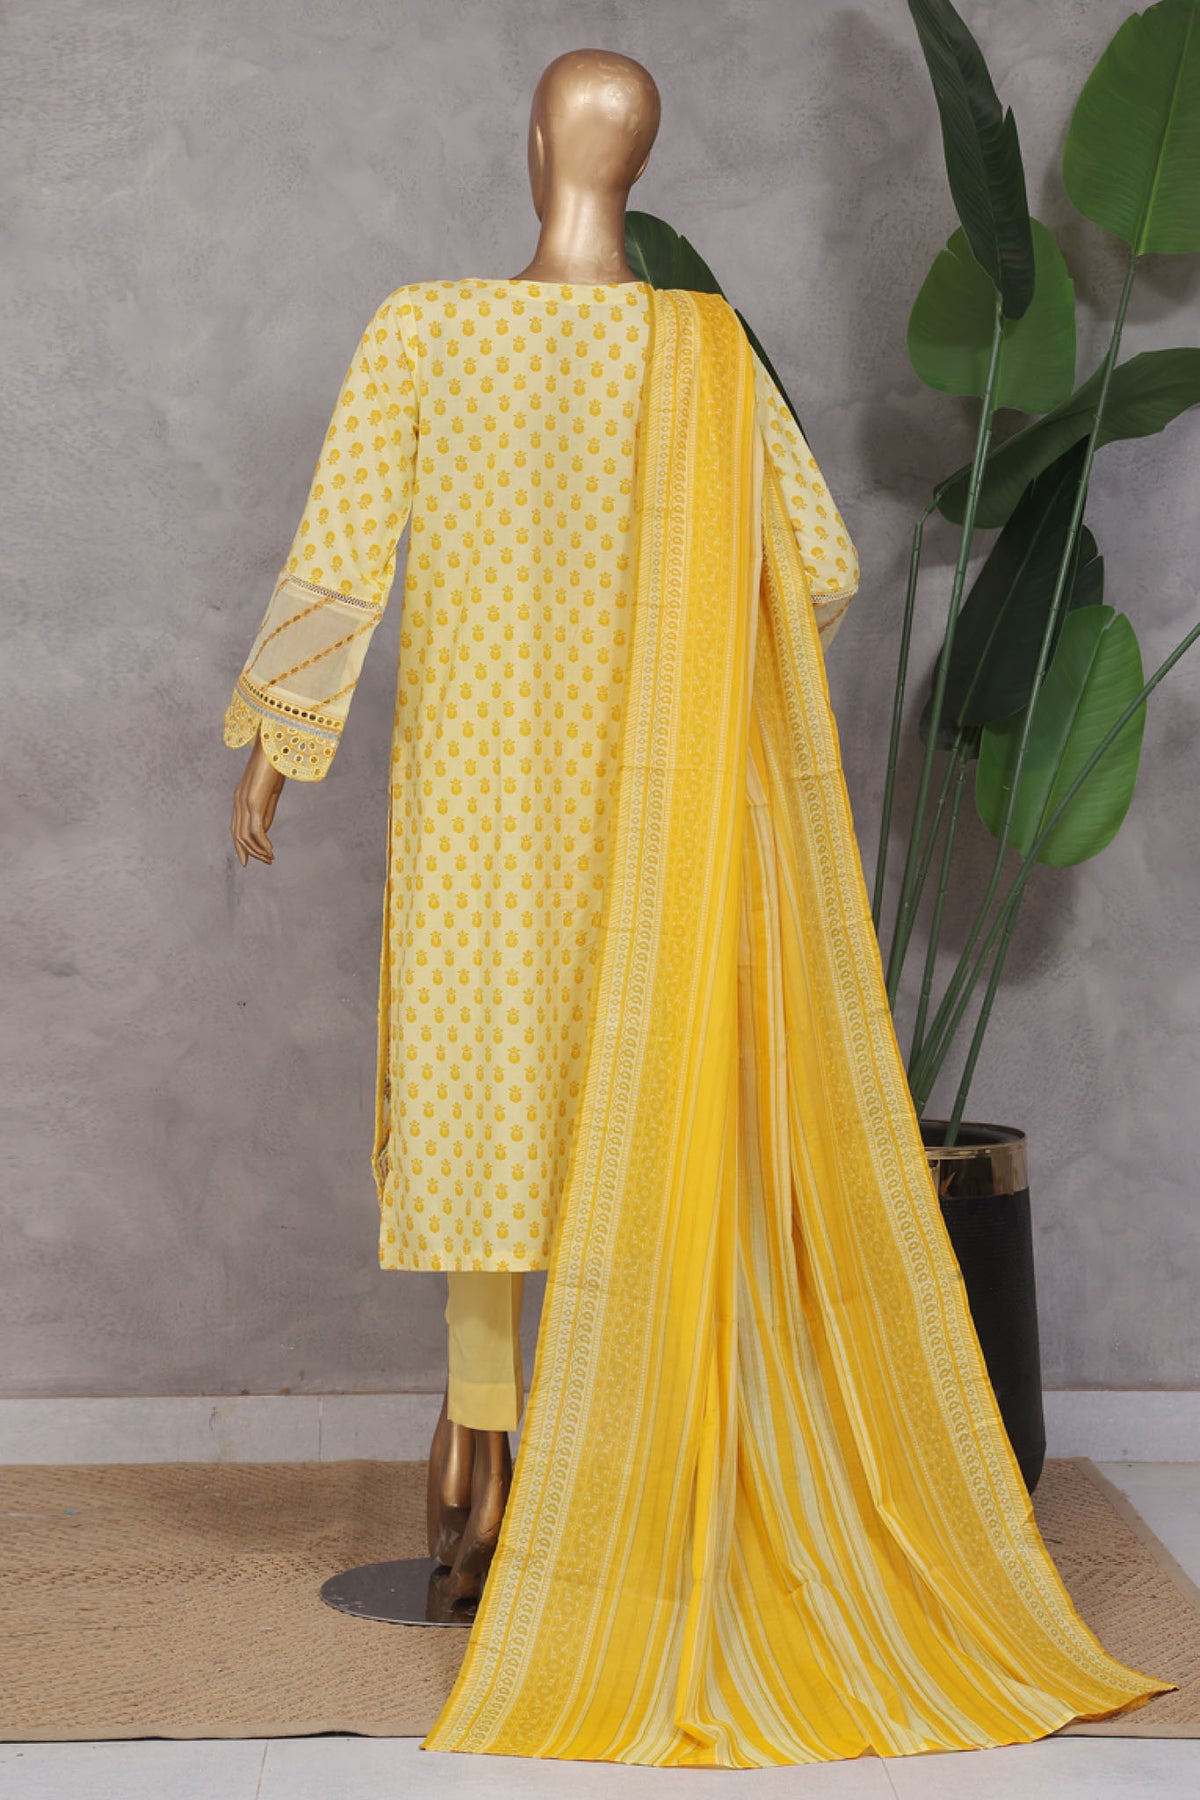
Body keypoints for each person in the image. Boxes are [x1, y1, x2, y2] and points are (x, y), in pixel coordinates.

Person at [226, 46, 1171, 1770]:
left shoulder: (427, 330)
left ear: (535, 147)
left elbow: (342, 551)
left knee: (481, 1109)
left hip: (476, 809)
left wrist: (281, 746)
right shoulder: (706, 354)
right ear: (632, 163)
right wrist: (716, 703)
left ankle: (478, 1455)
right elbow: (820, 564)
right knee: (629, 1116)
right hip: (656, 818)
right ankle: (626, 1498)